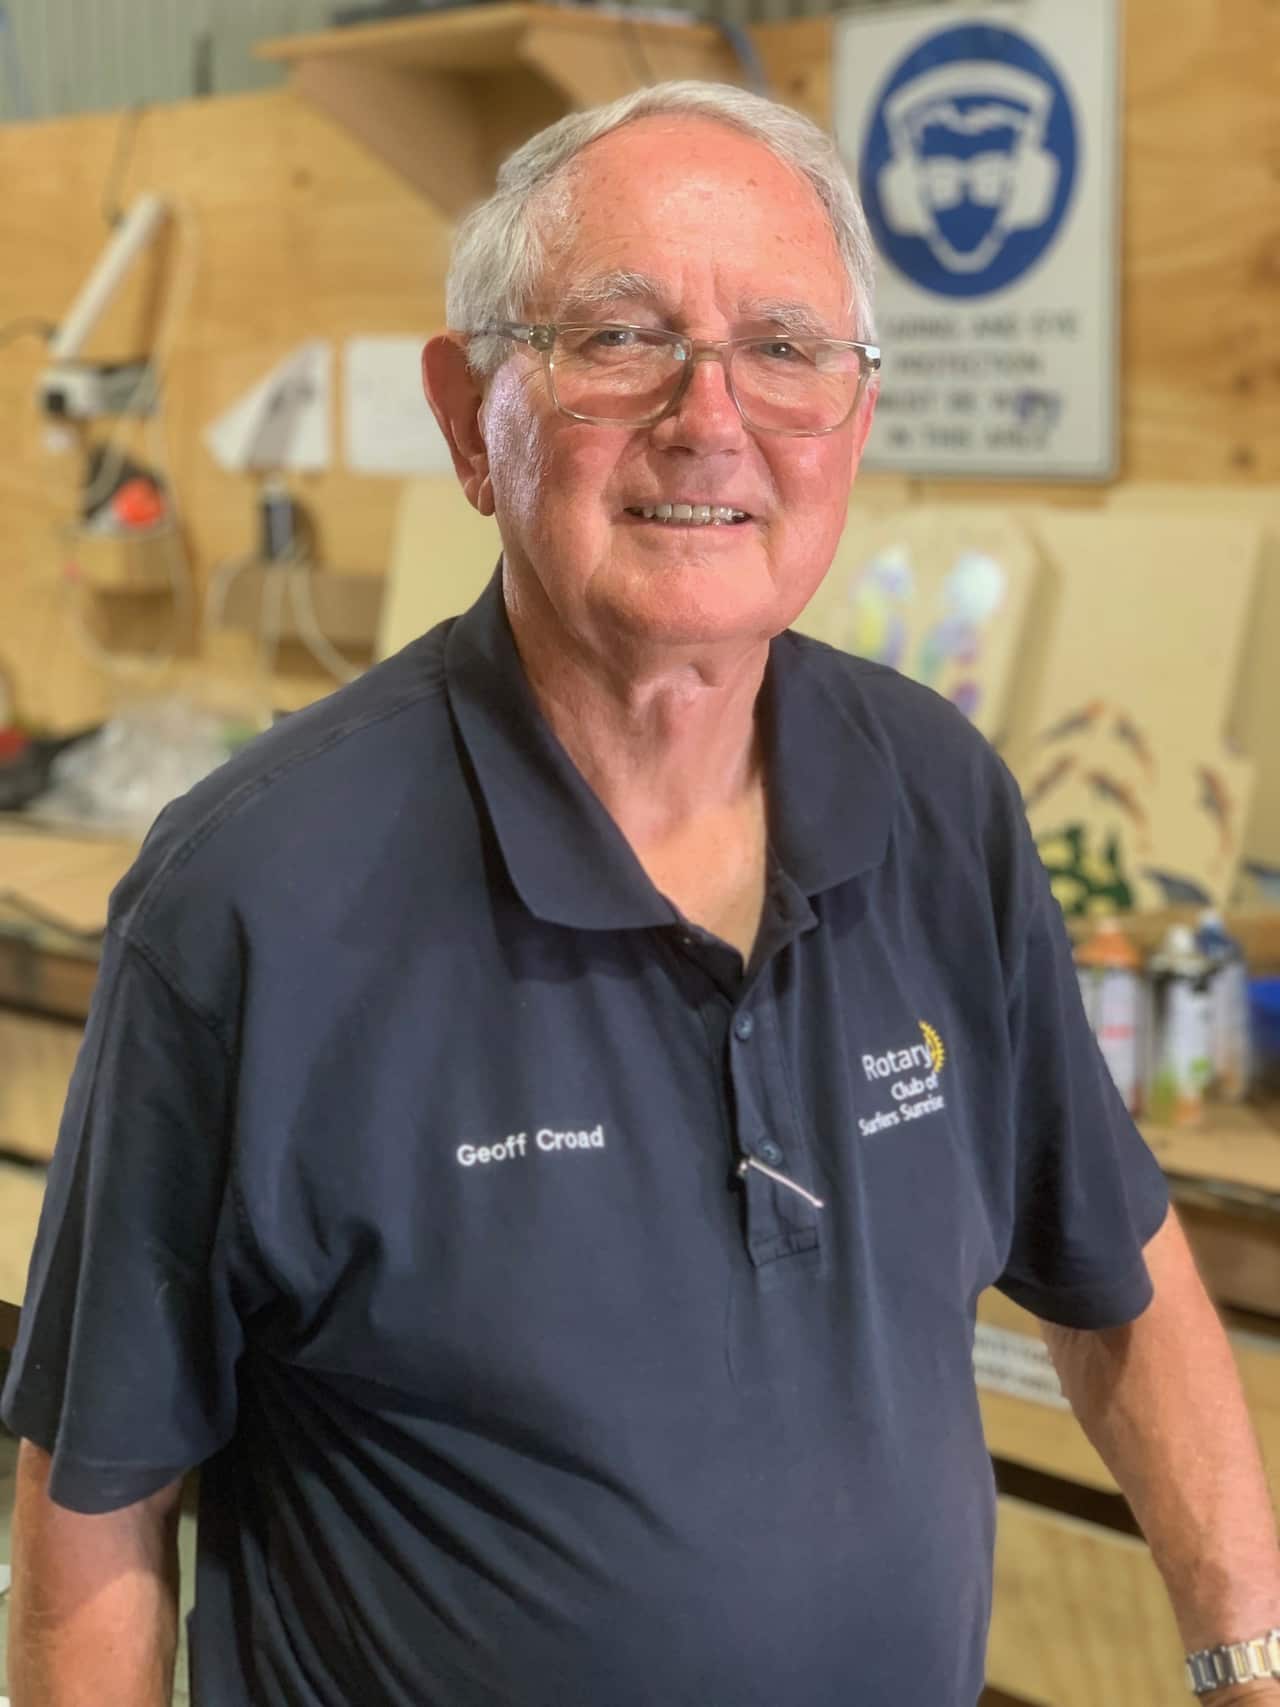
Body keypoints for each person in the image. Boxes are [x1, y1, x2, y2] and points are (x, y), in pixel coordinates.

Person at [4, 81, 1278, 1707]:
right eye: (620, 339)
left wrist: (1249, 1662)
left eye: (787, 347)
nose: (712, 414)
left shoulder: (937, 800)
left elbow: (1123, 1272)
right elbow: (96, 1511)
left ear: (856, 419)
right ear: (472, 420)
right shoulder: (252, 897)